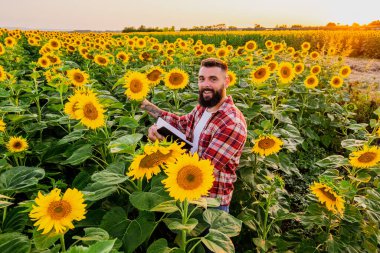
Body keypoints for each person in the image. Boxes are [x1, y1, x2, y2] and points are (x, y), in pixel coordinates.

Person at [140, 58, 247, 212]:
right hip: (188, 190)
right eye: (201, 79)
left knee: (207, 235)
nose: (206, 84)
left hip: (211, 203)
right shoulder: (203, 108)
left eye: (213, 79)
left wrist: (166, 148)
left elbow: (203, 169)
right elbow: (180, 123)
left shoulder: (232, 124)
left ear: (227, 81)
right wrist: (146, 106)